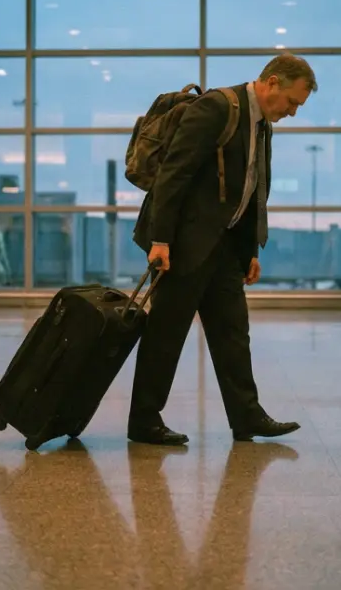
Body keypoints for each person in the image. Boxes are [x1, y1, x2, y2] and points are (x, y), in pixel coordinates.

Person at [126, 54, 317, 446]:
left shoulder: (263, 125)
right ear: (273, 82)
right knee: (166, 333)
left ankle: (246, 416)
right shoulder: (216, 107)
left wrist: (250, 251)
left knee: (233, 334)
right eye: (292, 102)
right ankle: (143, 420)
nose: (293, 113)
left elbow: (251, 189)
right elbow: (173, 173)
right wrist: (160, 240)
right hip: (184, 245)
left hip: (225, 249)